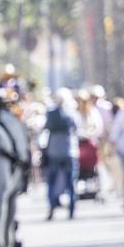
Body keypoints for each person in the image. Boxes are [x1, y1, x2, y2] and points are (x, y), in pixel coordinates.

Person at [40, 89, 78, 221]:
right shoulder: (71, 113)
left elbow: (45, 128)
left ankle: (52, 205)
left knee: (51, 181)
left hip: (54, 151)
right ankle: (72, 209)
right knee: (70, 182)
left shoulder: (51, 114)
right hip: (69, 151)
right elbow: (76, 128)